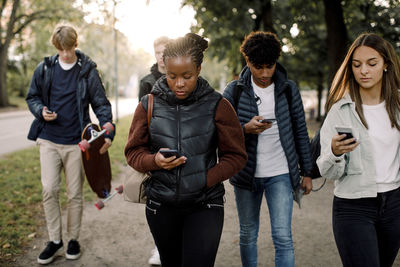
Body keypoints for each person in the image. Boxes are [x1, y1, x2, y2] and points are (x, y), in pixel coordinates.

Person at [125, 33, 247, 267]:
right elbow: (133, 152)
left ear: (199, 69)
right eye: (172, 76)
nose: (179, 83)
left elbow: (236, 156)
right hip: (161, 206)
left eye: (187, 76)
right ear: (165, 70)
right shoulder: (148, 104)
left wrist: (204, 178)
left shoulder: (218, 105)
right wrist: (155, 161)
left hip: (205, 205)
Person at [26, 23, 115, 265]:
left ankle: (73, 239)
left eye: (69, 48)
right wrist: (40, 111)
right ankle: (55, 241)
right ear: (56, 47)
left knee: (74, 194)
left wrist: (108, 130)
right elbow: (32, 97)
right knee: (49, 190)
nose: (65, 53)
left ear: (76, 44)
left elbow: (101, 103)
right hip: (48, 140)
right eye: (61, 49)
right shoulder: (44, 68)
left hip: (79, 143)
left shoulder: (87, 71)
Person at [223, 31, 313, 267]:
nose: (264, 73)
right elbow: (220, 132)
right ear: (247, 61)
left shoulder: (289, 89)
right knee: (247, 234)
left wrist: (308, 172)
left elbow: (300, 132)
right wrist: (245, 129)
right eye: (258, 66)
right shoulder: (234, 91)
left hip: (281, 174)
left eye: (270, 66)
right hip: (245, 175)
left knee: (283, 237)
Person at [317, 33, 400, 267]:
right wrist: (334, 152)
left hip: (394, 205)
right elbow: (328, 172)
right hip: (353, 207)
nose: (363, 70)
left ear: (385, 65)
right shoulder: (340, 111)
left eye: (371, 64)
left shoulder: (398, 107)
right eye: (357, 65)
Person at [138, 36, 170, 101]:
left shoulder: (178, 80)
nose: (161, 56)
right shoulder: (146, 82)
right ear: (155, 54)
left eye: (164, 52)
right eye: (158, 53)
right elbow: (142, 110)